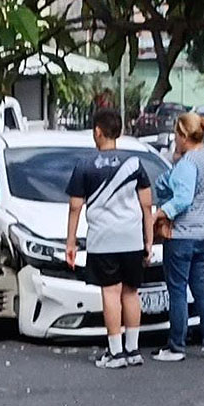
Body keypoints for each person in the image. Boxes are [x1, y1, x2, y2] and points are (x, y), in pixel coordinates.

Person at [65, 108, 153, 369]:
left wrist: (70, 242)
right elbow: (147, 205)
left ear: (97, 132)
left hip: (104, 239)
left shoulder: (84, 166)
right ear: (120, 132)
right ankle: (133, 349)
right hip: (132, 238)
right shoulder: (135, 164)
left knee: (111, 292)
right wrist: (148, 241)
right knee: (131, 292)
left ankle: (115, 352)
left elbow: (75, 207)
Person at [149, 113, 204, 363]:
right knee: (201, 288)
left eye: (176, 135)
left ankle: (176, 346)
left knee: (177, 291)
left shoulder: (187, 164)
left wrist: (161, 212)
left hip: (182, 236)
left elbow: (182, 198)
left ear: (182, 136)